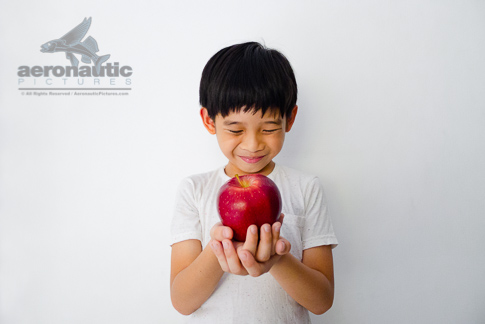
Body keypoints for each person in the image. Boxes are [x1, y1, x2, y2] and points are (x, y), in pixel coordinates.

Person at [170, 42, 338, 324]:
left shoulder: (306, 188)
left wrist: (278, 259)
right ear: (209, 121)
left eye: (269, 129)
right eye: (235, 129)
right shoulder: (194, 190)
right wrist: (221, 247)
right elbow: (182, 301)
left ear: (290, 119)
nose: (252, 144)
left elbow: (322, 301)